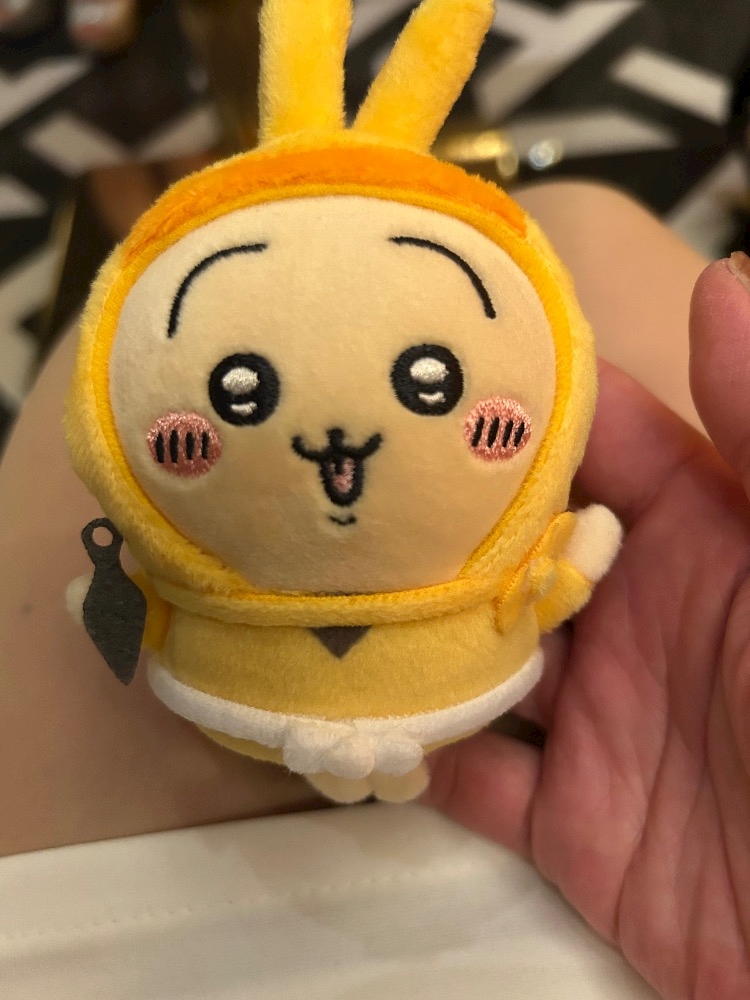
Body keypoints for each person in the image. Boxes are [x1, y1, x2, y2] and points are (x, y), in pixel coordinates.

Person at [0, 180, 747, 999]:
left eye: (429, 381)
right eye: (241, 389)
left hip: (119, 924)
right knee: (582, 215)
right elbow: (548, 582)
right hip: (601, 862)